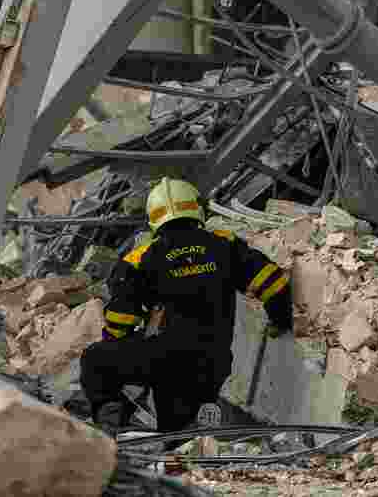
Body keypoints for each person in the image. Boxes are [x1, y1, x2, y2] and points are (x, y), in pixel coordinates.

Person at [80, 177, 293, 437]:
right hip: (213, 364)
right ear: (197, 209)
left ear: (153, 219)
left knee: (96, 360)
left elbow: (120, 320)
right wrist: (279, 321)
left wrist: (116, 346)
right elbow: (274, 282)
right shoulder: (224, 244)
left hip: (164, 360)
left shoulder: (142, 258)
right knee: (179, 436)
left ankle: (111, 427)